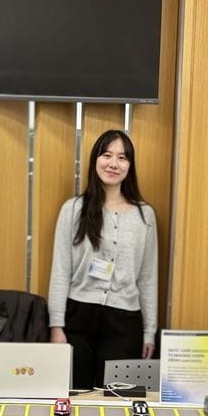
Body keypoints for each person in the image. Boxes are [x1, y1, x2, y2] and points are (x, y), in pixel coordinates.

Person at [48, 129, 157, 389]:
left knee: (117, 401)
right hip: (78, 317)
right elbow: (60, 270)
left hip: (125, 321)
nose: (113, 164)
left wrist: (149, 331)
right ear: (95, 160)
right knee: (75, 396)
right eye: (106, 155)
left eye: (122, 158)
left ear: (130, 166)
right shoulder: (73, 209)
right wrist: (56, 325)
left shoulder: (145, 216)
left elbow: (148, 276)